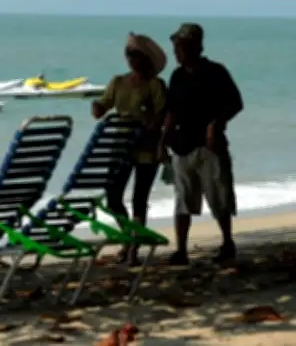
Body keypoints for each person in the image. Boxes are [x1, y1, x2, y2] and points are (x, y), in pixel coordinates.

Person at [162, 23, 243, 265]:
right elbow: (171, 112)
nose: (177, 52)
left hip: (210, 146)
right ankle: (181, 250)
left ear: (195, 47)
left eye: (181, 47)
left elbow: (236, 103)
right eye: (176, 47)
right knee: (182, 200)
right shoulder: (177, 76)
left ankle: (227, 242)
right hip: (182, 145)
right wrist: (162, 141)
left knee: (219, 197)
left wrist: (216, 124)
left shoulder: (215, 72)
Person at [92, 33, 167, 265]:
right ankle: (128, 239)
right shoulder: (118, 82)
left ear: (145, 58)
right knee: (113, 198)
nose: (131, 59)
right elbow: (102, 108)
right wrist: (97, 106)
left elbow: (162, 114)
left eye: (135, 55)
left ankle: (133, 249)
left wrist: (151, 128)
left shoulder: (155, 84)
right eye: (128, 54)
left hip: (146, 148)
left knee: (139, 200)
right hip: (120, 147)